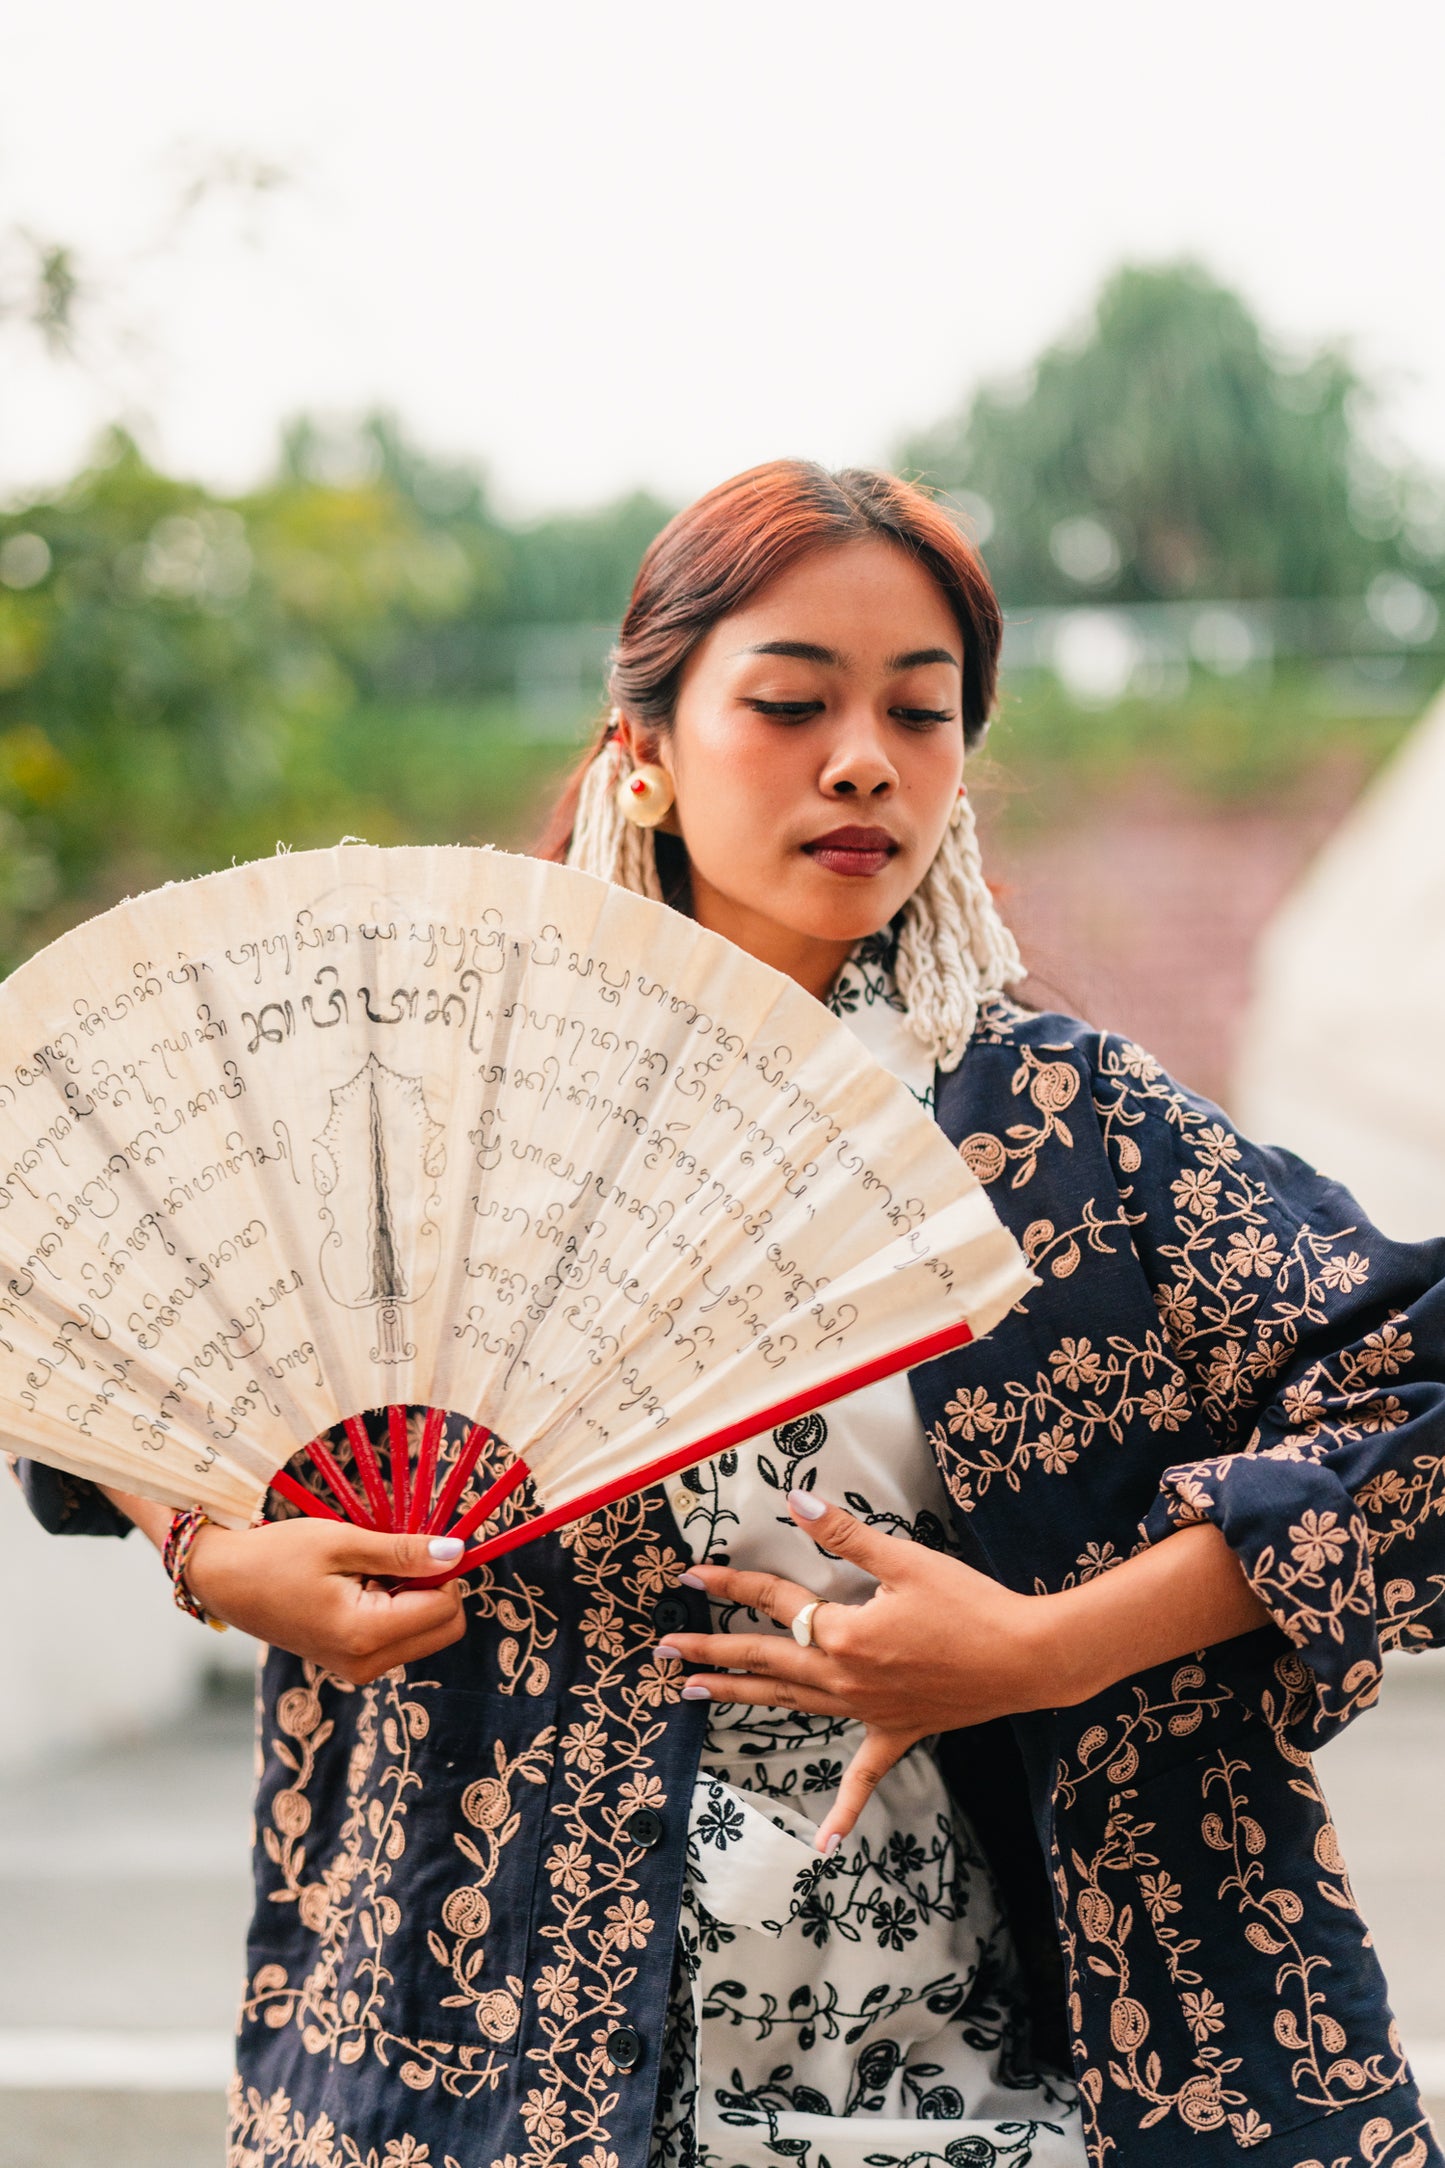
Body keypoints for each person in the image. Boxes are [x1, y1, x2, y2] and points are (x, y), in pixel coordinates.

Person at [13, 461, 1445, 2168]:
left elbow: (1412, 1405)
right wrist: (213, 1554)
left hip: (1021, 2043)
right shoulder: (431, 1103)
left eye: (921, 717)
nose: (863, 760)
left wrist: (1040, 1650)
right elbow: (114, 1349)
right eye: (786, 704)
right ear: (646, 746)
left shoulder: (1075, 1137)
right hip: (498, 2039)